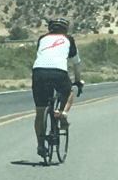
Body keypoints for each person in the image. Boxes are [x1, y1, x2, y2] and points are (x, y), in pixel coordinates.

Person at [31, 18, 83, 158]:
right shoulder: (69, 39)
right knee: (69, 90)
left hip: (39, 72)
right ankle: (64, 113)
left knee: (40, 112)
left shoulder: (42, 38)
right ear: (65, 29)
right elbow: (76, 64)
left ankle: (41, 145)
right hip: (59, 72)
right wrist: (78, 81)